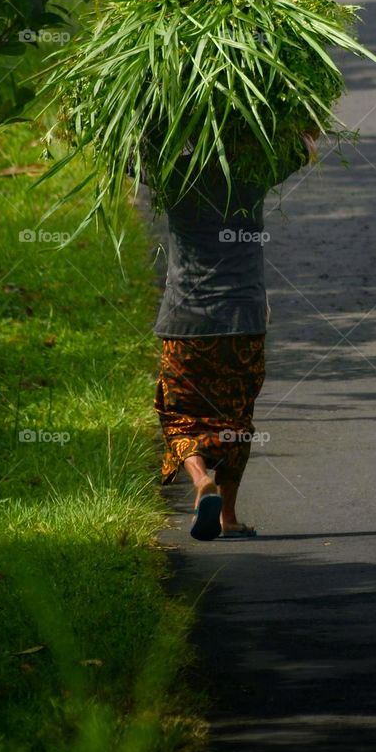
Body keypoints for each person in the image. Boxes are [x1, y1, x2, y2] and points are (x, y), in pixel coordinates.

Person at [152, 132, 318, 540]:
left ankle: (199, 479)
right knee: (235, 418)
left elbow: (126, 154)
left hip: (185, 324)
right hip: (243, 321)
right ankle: (227, 516)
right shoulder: (250, 173)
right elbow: (305, 144)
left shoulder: (172, 174)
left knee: (179, 414)